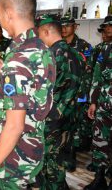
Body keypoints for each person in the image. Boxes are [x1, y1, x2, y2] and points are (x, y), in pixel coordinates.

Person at [0, 0, 56, 189]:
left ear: (9, 12)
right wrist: (6, 73)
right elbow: (33, 94)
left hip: (12, 160)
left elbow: (14, 126)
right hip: (32, 152)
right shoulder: (41, 49)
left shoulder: (17, 60)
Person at [36, 14, 82, 189]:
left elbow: (43, 89)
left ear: (46, 31)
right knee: (58, 161)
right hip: (67, 117)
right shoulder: (74, 53)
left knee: (51, 166)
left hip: (51, 119)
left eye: (39, 33)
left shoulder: (52, 55)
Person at [61, 16, 93, 163]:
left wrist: (83, 93)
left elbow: (88, 72)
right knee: (60, 126)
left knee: (74, 126)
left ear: (75, 27)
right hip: (61, 93)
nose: (64, 28)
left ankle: (71, 156)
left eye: (68, 25)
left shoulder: (84, 46)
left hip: (77, 92)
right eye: (62, 25)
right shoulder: (57, 45)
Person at [86, 15, 112, 189]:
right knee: (100, 139)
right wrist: (93, 101)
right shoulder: (104, 49)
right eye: (106, 27)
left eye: (111, 26)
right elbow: (96, 76)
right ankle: (100, 177)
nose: (108, 29)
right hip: (104, 103)